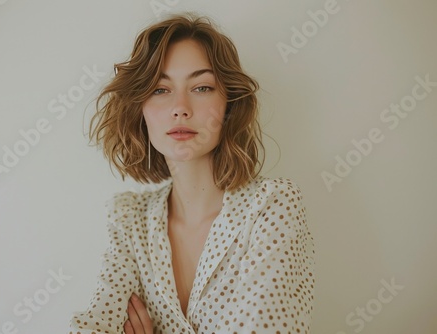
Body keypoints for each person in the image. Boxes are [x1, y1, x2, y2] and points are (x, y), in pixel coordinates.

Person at [68, 13, 315, 334]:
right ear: (139, 109)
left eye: (201, 87)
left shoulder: (271, 206)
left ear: (229, 104)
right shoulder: (129, 219)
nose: (180, 107)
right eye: (160, 89)